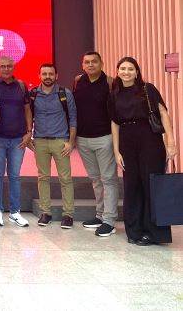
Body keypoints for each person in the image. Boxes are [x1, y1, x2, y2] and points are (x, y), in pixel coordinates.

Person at [109, 56, 176, 246]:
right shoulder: (114, 94)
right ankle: (134, 230)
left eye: (131, 69)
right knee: (132, 185)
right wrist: (116, 151)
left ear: (137, 72)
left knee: (151, 184)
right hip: (127, 140)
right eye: (123, 69)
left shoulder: (148, 89)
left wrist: (171, 142)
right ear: (117, 71)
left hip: (149, 139)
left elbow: (163, 113)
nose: (126, 72)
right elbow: (114, 123)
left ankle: (154, 233)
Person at [72, 51, 119, 237]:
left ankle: (109, 221)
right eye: (87, 62)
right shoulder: (78, 82)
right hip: (83, 139)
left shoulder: (110, 82)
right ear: (83, 65)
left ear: (101, 63)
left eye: (94, 62)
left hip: (104, 138)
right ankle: (100, 215)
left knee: (108, 179)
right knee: (96, 179)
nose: (90, 65)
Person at [30, 63, 77, 229]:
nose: (47, 77)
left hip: (60, 142)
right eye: (44, 74)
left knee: (65, 179)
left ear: (56, 76)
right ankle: (46, 213)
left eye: (50, 74)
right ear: (39, 76)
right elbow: (27, 116)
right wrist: (29, 136)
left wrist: (71, 142)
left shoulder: (65, 94)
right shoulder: (33, 94)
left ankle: (68, 215)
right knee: (43, 178)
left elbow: (73, 119)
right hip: (40, 141)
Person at [0, 56, 32, 228]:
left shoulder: (21, 86)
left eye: (9, 66)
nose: (6, 69)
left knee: (15, 176)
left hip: (18, 140)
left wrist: (29, 132)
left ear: (13, 68)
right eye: (3, 66)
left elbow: (27, 109)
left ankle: (15, 212)